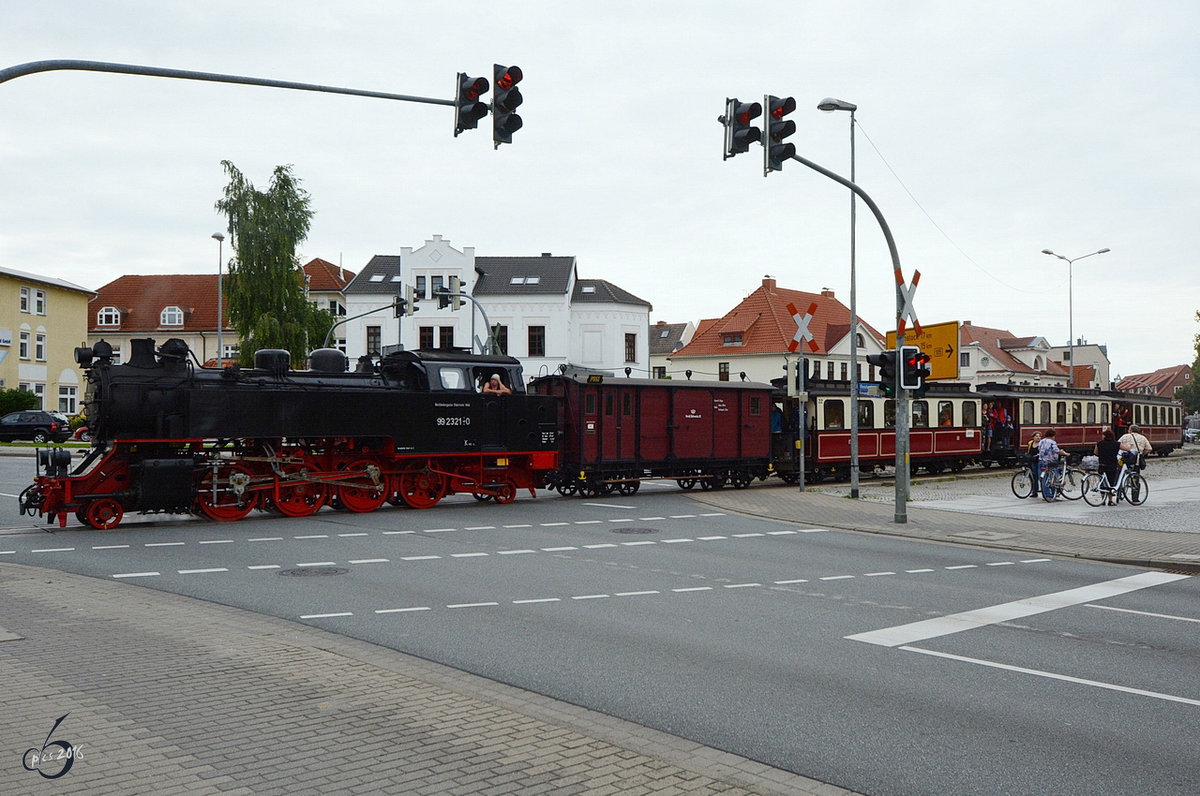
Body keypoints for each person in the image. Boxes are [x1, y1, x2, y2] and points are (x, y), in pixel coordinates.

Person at [1037, 428, 1068, 499]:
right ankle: (1054, 494)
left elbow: (1039, 449)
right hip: (1051, 462)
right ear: (1053, 435)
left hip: (1041, 461)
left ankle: (1046, 495)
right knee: (1054, 478)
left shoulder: (1042, 441)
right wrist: (1065, 453)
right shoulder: (1052, 442)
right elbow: (1056, 450)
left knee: (1044, 479)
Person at [1093, 429, 1120, 506]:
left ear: (1105, 436)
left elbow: (1095, 452)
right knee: (1111, 482)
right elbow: (1126, 448)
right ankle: (1110, 500)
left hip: (1102, 464)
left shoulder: (1099, 443)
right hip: (1112, 465)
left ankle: (1102, 500)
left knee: (1102, 482)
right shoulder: (1116, 444)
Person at [1025, 432, 1042, 496]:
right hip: (1033, 461)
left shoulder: (1041, 444)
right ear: (1033, 437)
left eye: (1039, 436)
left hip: (1039, 462)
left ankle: (1043, 490)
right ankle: (1034, 491)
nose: (1038, 437)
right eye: (1036, 436)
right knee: (1034, 477)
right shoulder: (1030, 443)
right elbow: (1029, 451)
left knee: (1039, 476)